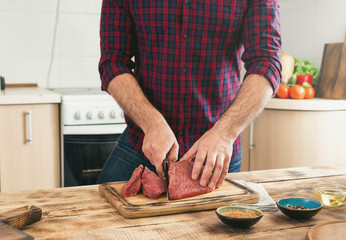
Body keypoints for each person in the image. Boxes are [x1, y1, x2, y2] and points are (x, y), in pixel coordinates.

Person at [97, 0, 281, 190]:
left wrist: (224, 134)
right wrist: (151, 122)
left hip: (215, 154)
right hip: (143, 145)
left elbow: (267, 62)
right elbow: (113, 61)